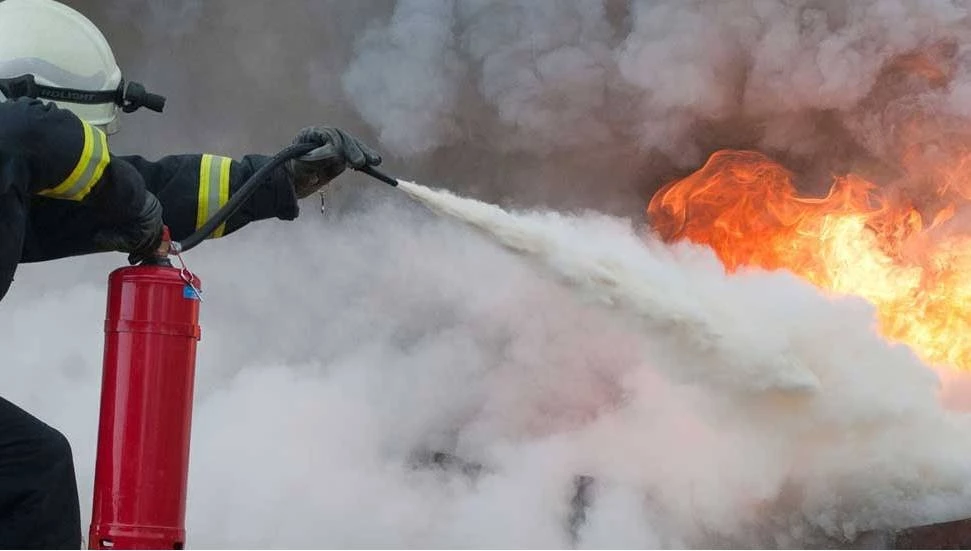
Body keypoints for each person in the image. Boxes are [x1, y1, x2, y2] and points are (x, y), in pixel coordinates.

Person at [0, 0, 382, 547]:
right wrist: (125, 200)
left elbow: (146, 188)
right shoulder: (15, 135)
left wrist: (274, 178)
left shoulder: (12, 191)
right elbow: (31, 134)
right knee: (32, 472)